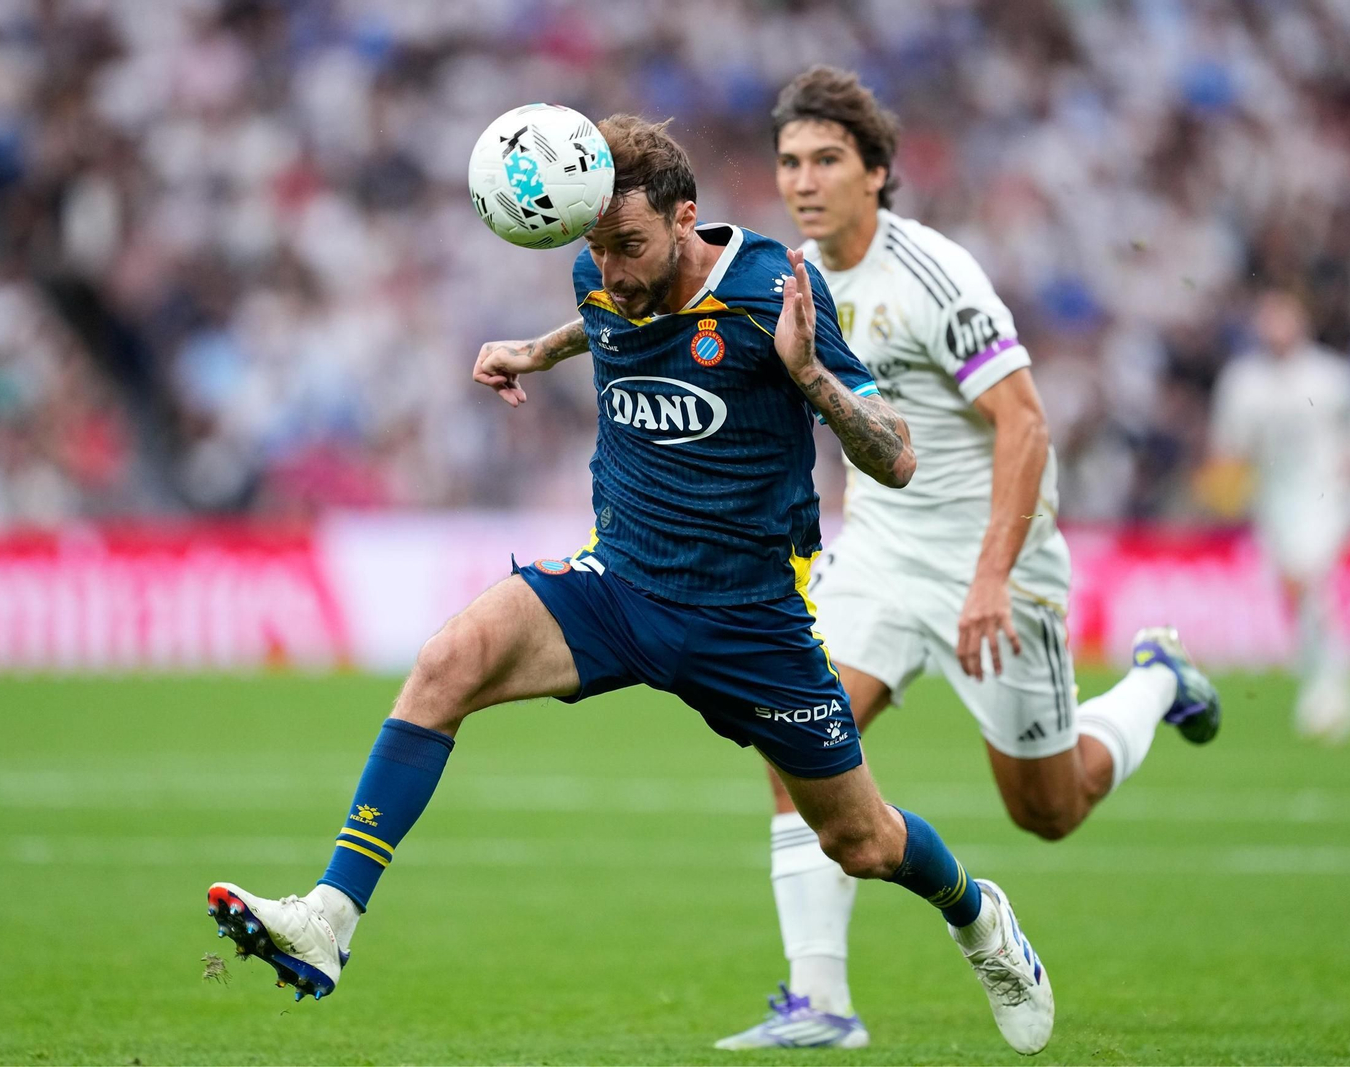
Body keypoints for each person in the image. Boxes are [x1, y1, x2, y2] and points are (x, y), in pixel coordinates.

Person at [206, 114, 1055, 1055]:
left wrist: (810, 376)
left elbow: (896, 457)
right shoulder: (600, 274)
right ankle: (329, 917)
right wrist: (537, 349)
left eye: (630, 246)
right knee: (449, 660)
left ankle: (979, 917)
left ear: (686, 218)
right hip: (619, 585)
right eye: (595, 247)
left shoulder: (778, 289)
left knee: (860, 842)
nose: (610, 269)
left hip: (750, 621)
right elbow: (610, 312)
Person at [714, 67, 1221, 1052]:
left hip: (995, 561)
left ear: (878, 171)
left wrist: (990, 578)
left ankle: (1157, 679)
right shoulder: (785, 274)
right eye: (788, 162)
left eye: (826, 160)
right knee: (791, 735)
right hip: (881, 551)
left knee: (1049, 806)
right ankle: (820, 1001)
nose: (803, 181)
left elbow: (1024, 425)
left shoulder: (933, 276)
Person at [1204, 290, 1350, 742]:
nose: (1276, 328)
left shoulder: (1330, 376)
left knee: (1307, 577)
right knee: (1295, 588)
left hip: (1326, 496)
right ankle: (1324, 676)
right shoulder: (1243, 381)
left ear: (1301, 322)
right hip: (1274, 502)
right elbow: (1228, 445)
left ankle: (1331, 686)